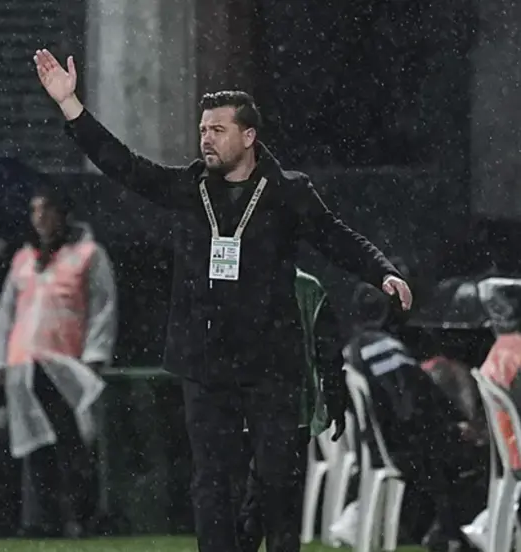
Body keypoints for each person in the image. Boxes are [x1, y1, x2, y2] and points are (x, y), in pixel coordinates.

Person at [32, 49, 412, 552]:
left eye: (217, 130)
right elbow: (123, 166)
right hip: (206, 362)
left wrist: (383, 271)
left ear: (248, 137)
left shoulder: (287, 193)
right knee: (212, 483)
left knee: (277, 483)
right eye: (202, 130)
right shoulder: (190, 188)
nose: (206, 138)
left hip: (271, 363)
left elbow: (336, 238)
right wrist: (71, 106)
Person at [0, 183, 118, 538]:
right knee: (34, 444)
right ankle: (42, 519)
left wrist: (95, 354)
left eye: (46, 209)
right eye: (34, 210)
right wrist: (0, 358)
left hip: (64, 362)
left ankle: (82, 515)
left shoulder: (87, 254)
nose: (40, 217)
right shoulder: (24, 258)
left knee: (70, 441)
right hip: (24, 362)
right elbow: (6, 311)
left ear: (63, 213)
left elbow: (102, 305)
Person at [344, 283, 462, 551]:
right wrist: (454, 427)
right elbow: (415, 406)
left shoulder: (353, 349)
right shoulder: (386, 349)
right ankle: (449, 530)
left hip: (372, 447)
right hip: (398, 449)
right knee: (462, 454)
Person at [238, 268, 347, 551]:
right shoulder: (308, 287)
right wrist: (335, 401)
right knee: (281, 506)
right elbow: (328, 353)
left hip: (239, 412)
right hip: (291, 411)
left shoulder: (238, 280)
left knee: (253, 498)